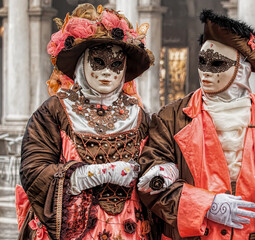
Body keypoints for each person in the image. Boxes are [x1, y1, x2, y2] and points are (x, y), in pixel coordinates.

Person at [137, 10, 255, 240]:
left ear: (242, 71)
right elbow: (150, 183)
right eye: (202, 62)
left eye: (217, 63)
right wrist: (205, 205)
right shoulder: (171, 118)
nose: (205, 71)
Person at [16, 4, 155, 239]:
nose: (107, 72)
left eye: (116, 64)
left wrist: (160, 170)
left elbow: (156, 160)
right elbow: (34, 172)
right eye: (98, 62)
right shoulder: (53, 112)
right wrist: (98, 173)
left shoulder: (139, 115)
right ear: (81, 63)